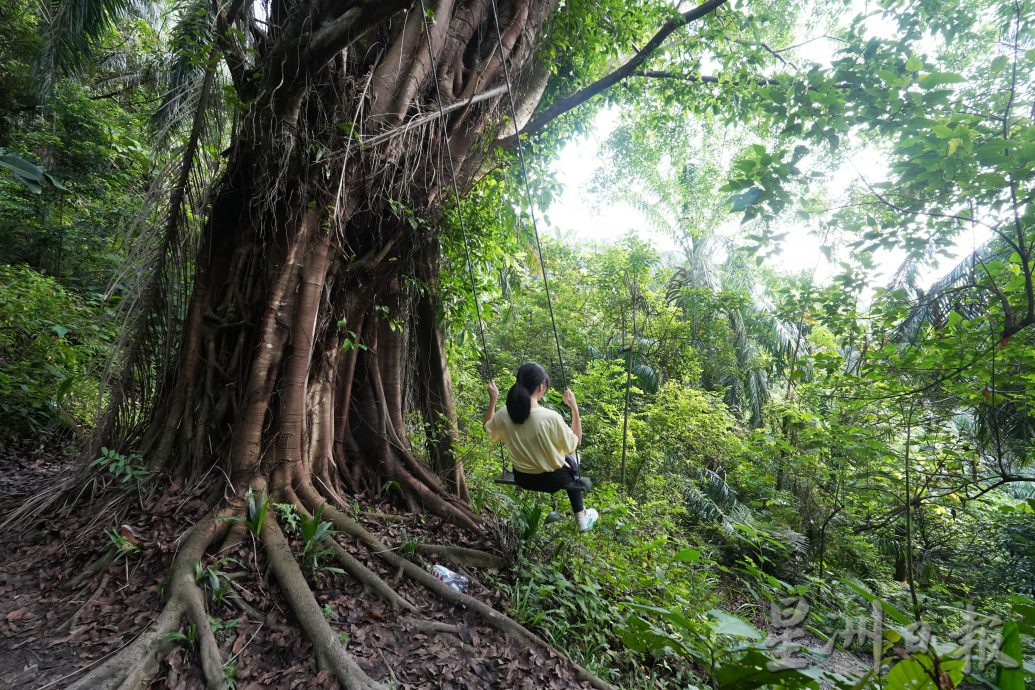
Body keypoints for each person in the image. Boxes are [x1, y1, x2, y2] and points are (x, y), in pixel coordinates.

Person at [484, 362, 598, 533]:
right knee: (573, 456)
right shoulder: (550, 417)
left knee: (566, 458)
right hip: (554, 481)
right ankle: (581, 517)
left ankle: (581, 514)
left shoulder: (504, 413)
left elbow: (487, 427)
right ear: (540, 386)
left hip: (523, 478)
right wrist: (574, 408)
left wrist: (493, 399)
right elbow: (575, 442)